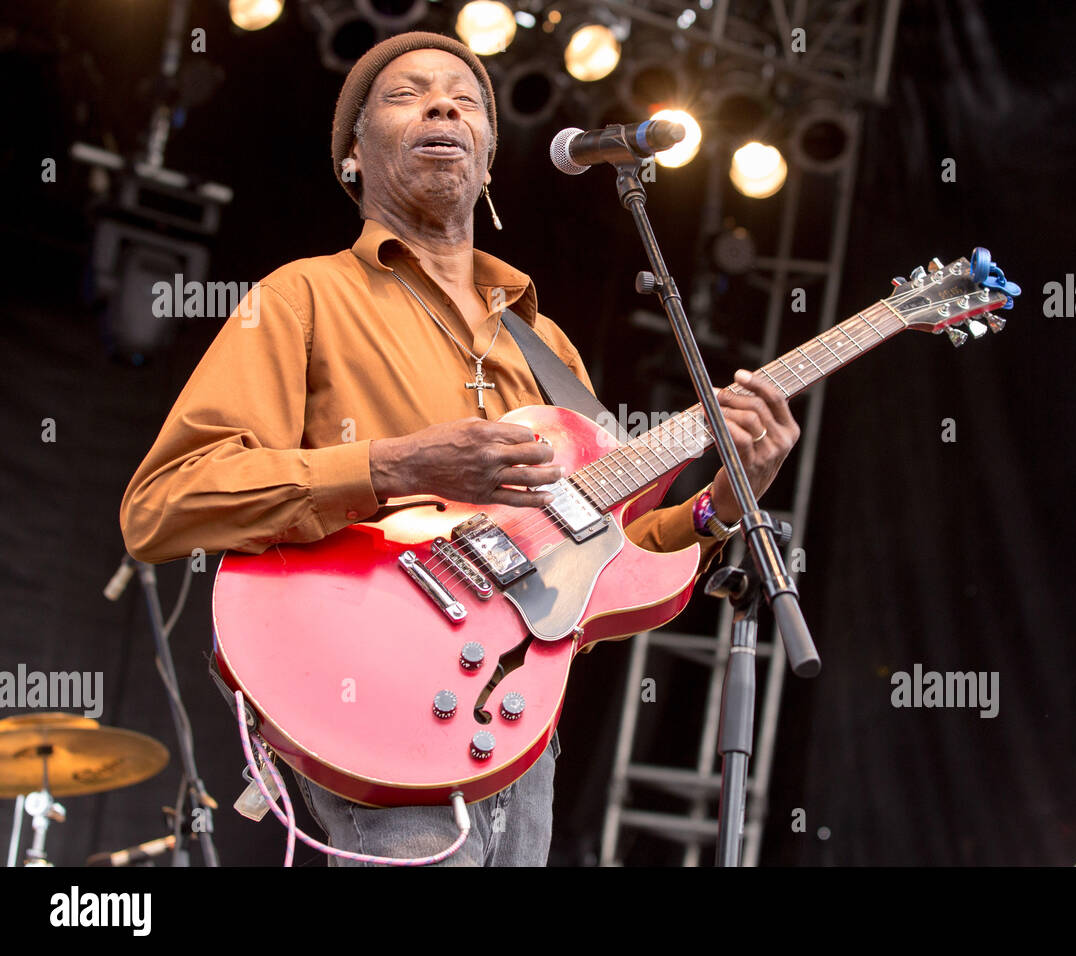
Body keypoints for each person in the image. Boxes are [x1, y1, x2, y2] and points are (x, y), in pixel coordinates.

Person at [120, 31, 799, 866]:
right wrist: (399, 466)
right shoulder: (303, 296)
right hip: (371, 686)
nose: (443, 104)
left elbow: (606, 564)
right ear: (353, 161)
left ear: (486, 166)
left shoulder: (544, 345)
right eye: (406, 95)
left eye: (465, 99)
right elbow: (163, 505)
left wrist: (724, 503)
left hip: (512, 724)